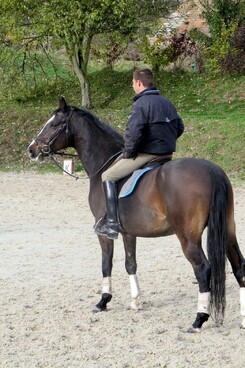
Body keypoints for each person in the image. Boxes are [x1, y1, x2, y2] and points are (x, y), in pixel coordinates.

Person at [95, 68, 184, 239]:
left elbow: (133, 134)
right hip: (167, 155)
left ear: (138, 83)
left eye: (133, 83)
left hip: (148, 155)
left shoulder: (141, 104)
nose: (133, 86)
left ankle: (112, 225)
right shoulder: (167, 103)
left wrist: (128, 152)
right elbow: (180, 127)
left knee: (107, 176)